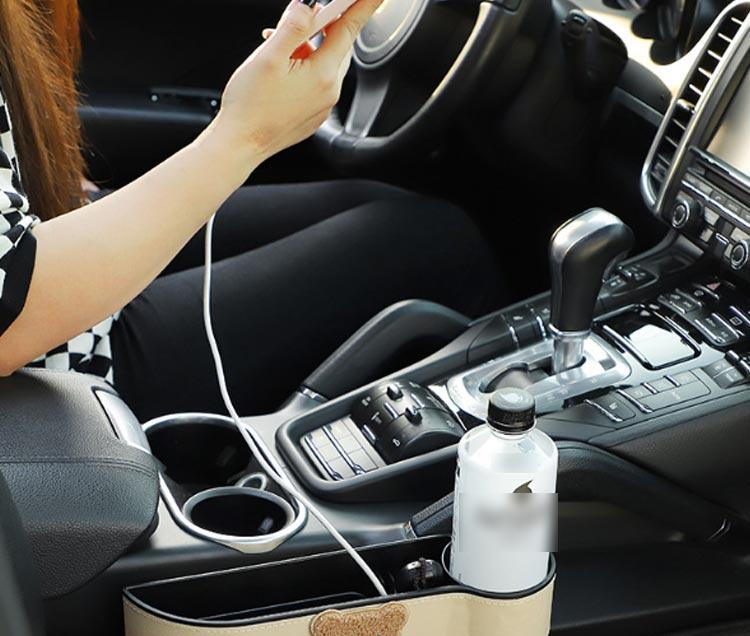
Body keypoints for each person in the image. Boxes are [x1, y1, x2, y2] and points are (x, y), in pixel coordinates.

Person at [0, 0, 507, 422]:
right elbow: (10, 314)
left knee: (381, 208)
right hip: (54, 368)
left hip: (39, 239)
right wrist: (246, 134)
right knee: (438, 244)